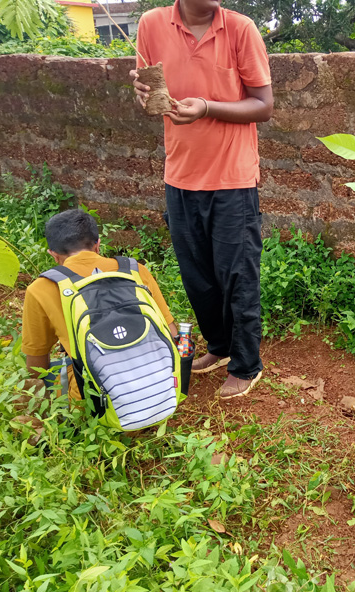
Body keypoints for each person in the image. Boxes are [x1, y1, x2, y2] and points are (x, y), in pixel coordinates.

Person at [129, 0, 273, 399]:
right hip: (180, 174)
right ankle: (220, 347)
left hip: (232, 178)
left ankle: (246, 365)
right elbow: (149, 98)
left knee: (237, 276)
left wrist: (206, 108)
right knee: (198, 277)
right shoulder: (151, 24)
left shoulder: (240, 29)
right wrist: (143, 95)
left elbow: (264, 106)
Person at [22, 209, 178, 399]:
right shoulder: (136, 270)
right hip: (161, 391)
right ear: (97, 245)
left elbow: (36, 367)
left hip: (94, 404)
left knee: (50, 375)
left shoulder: (41, 288)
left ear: (53, 255)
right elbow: (172, 335)